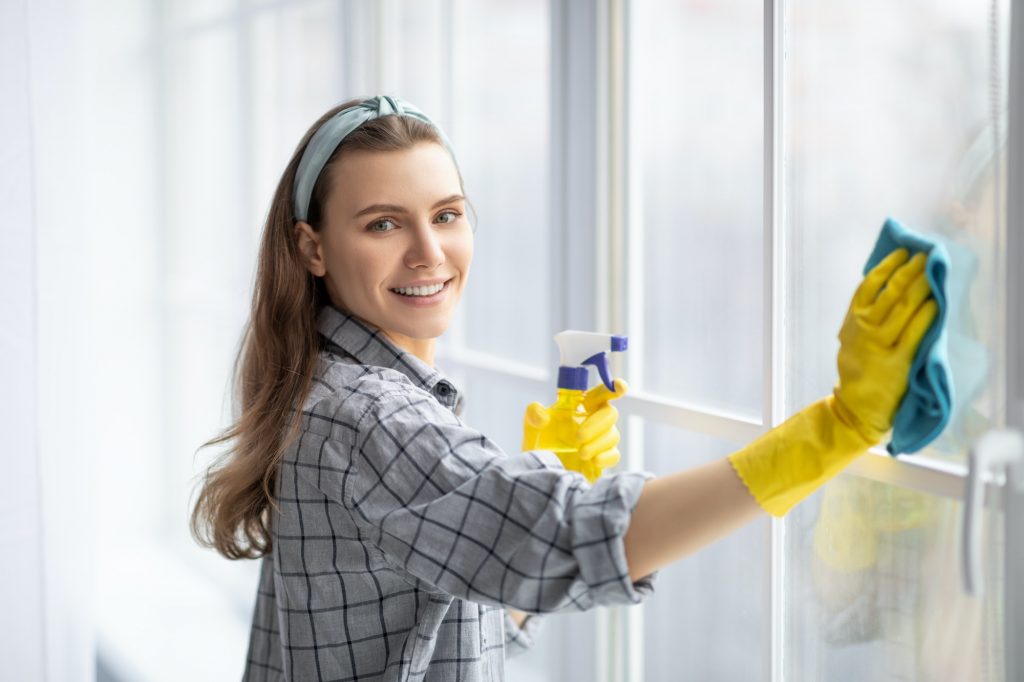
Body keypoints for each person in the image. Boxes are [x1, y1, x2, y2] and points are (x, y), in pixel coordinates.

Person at [190, 95, 938, 681]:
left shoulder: (330, 385)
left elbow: (448, 641)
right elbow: (587, 537)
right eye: (383, 224)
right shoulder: (372, 419)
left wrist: (526, 496)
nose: (429, 252)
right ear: (312, 247)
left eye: (447, 215)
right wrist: (836, 428)